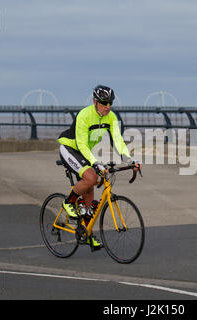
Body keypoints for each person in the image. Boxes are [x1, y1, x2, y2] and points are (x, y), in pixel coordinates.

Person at [57, 85, 141, 249]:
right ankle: (69, 202)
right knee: (91, 177)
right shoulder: (84, 115)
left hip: (85, 152)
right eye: (103, 103)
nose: (107, 107)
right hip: (70, 148)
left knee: (90, 190)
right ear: (95, 101)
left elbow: (118, 141)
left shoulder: (111, 117)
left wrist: (130, 160)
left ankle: (87, 233)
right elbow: (81, 144)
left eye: (110, 103)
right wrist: (95, 163)